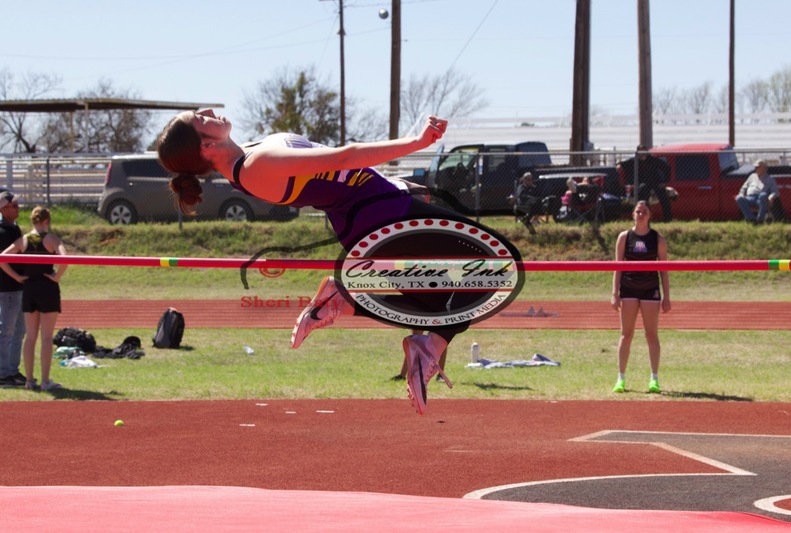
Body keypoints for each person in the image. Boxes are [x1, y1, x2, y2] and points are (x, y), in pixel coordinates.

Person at [156, 109, 519, 415]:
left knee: (448, 294)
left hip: (380, 208)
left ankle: (353, 307)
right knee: (500, 268)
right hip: (381, 218)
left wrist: (390, 182)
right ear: (206, 145)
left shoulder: (251, 153)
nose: (208, 111)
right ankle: (392, 326)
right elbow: (345, 158)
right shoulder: (256, 165)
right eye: (200, 118)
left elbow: (337, 177)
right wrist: (416, 144)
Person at [0, 206, 68, 391]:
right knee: (46, 337)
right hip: (47, 288)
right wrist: (57, 276)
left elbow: (2, 257)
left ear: (33, 220)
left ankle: (29, 380)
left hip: (29, 288)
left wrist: (17, 277)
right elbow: (66, 258)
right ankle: (45, 381)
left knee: (30, 337)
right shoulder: (52, 239)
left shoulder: (23, 240)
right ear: (47, 221)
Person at [610, 200, 670, 394]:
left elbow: (664, 270)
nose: (641, 214)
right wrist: (614, 293)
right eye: (638, 211)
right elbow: (617, 267)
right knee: (626, 334)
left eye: (644, 211)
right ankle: (621, 378)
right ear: (633, 215)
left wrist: (667, 296)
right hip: (628, 289)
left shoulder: (657, 239)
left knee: (651, 334)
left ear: (650, 215)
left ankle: (654, 379)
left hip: (650, 289)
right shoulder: (624, 237)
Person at [0, 191, 27, 388]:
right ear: (3, 208)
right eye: (14, 205)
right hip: (6, 288)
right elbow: (2, 260)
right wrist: (17, 276)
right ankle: (2, 373)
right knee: (6, 331)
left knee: (19, 330)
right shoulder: (1, 231)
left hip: (19, 288)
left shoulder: (15, 229)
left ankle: (12, 370)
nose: (18, 208)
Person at [620, 145, 672, 222]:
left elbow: (666, 168)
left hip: (656, 182)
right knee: (642, 198)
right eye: (641, 151)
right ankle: (643, 218)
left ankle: (668, 219)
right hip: (644, 183)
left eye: (644, 151)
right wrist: (619, 165)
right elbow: (623, 164)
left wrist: (664, 181)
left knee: (664, 198)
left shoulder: (653, 160)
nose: (642, 154)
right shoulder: (635, 160)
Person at [735, 159, 779, 224]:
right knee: (739, 198)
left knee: (763, 195)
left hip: (761, 198)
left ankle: (760, 219)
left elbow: (775, 191)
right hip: (750, 197)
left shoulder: (770, 179)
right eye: (755, 167)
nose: (756, 168)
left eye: (758, 167)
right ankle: (751, 219)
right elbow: (744, 187)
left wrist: (771, 197)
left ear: (764, 168)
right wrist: (741, 194)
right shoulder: (752, 176)